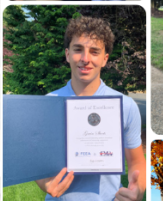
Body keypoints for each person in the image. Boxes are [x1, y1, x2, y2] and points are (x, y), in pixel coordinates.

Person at [37, 17, 144, 201]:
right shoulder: (48, 104)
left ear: (104, 59)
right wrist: (44, 182)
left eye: (94, 52)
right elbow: (37, 160)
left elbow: (136, 161)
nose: (85, 59)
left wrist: (138, 189)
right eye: (78, 50)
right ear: (68, 54)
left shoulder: (125, 105)